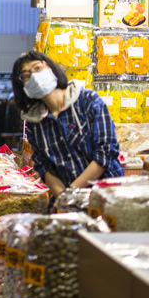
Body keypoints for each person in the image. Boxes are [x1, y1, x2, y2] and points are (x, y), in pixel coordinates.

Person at [11, 51, 124, 198]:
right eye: (26, 75)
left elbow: (105, 153)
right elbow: (44, 166)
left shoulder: (88, 100)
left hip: (106, 196)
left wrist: (71, 193)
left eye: (37, 68)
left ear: (51, 68)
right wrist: (63, 198)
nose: (34, 77)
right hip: (67, 199)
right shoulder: (35, 122)